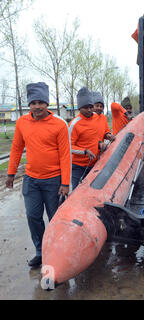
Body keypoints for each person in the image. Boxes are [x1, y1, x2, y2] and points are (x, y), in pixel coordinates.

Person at [5, 82, 71, 268]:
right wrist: (10, 173)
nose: (37, 106)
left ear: (47, 103)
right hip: (31, 180)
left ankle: (58, 253)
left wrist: (65, 183)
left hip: (54, 181)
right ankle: (41, 251)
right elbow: (17, 149)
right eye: (33, 102)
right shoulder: (22, 123)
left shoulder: (59, 124)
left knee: (55, 219)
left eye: (41, 102)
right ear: (28, 104)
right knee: (33, 217)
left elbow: (65, 156)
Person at [69, 87, 109, 190]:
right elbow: (69, 147)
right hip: (79, 167)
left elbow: (96, 137)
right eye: (85, 107)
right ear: (79, 108)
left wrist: (100, 143)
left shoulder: (97, 118)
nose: (89, 110)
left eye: (91, 107)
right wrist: (85, 151)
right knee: (77, 192)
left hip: (95, 164)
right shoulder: (74, 124)